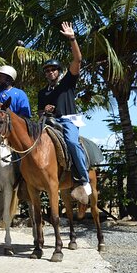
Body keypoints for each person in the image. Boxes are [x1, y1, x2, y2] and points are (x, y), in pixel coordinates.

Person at [37, 22, 91, 204]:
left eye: (53, 69)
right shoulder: (42, 92)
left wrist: (72, 39)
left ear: (59, 71)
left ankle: (84, 179)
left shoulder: (67, 82)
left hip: (68, 120)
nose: (50, 72)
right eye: (47, 70)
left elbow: (78, 60)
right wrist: (44, 110)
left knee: (72, 143)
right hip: (47, 121)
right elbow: (38, 111)